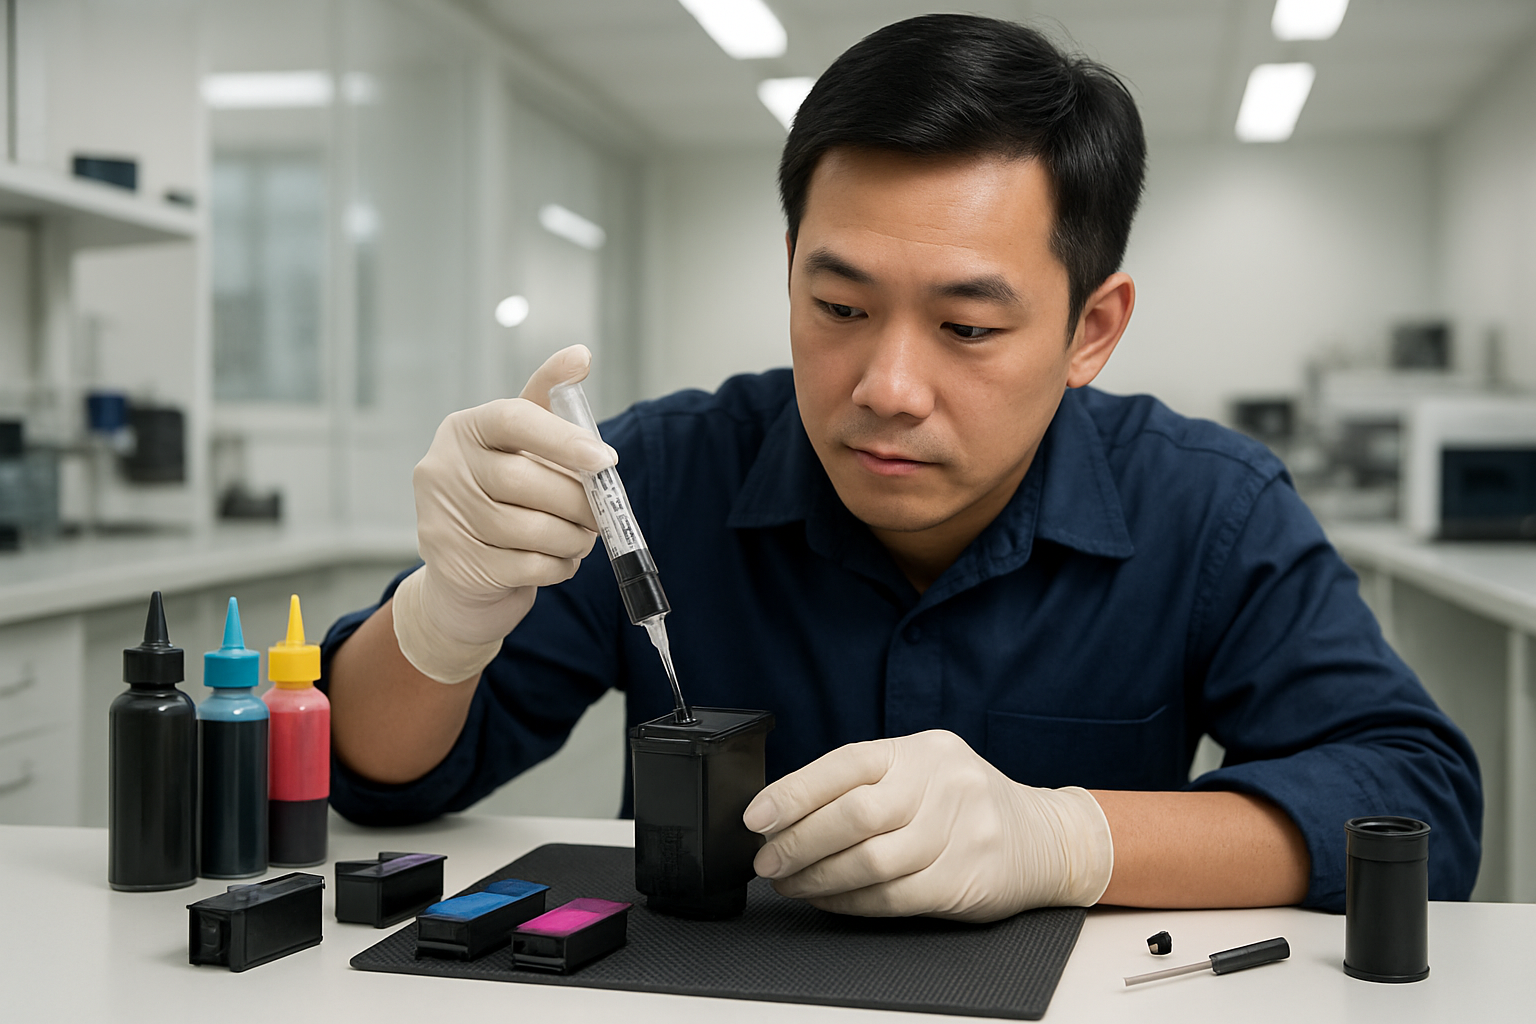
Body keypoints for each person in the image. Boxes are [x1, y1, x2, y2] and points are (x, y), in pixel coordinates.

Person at [320, 14, 1481, 921]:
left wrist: (1067, 838)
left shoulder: (1207, 505)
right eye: (838, 304)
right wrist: (441, 619)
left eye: (968, 328)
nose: (885, 386)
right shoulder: (662, 475)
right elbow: (381, 776)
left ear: (1092, 329)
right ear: (789, 271)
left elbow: (1414, 799)